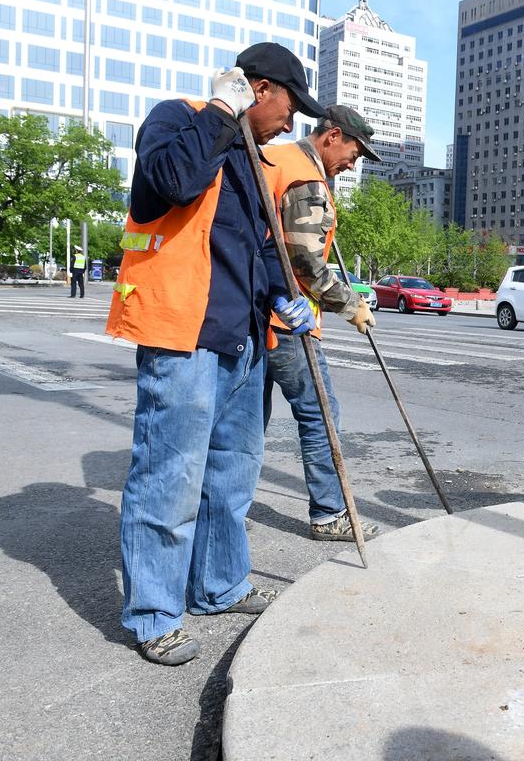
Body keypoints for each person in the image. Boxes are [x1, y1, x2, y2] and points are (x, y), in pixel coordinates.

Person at [106, 43, 325, 666]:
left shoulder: (254, 161)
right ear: (259, 91)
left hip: (245, 338)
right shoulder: (178, 119)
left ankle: (218, 584)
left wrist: (286, 297)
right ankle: (154, 614)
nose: (292, 122)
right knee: (168, 479)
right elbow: (173, 183)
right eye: (290, 106)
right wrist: (220, 114)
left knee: (230, 478)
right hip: (184, 335)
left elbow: (255, 250)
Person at [262, 105, 382, 542]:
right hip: (286, 323)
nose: (354, 162)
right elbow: (308, 266)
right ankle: (330, 514)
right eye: (354, 151)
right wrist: (352, 306)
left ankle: (220, 510)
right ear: (332, 136)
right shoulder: (308, 179)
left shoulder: (278, 158)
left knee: (247, 423)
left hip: (253, 315)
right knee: (321, 415)